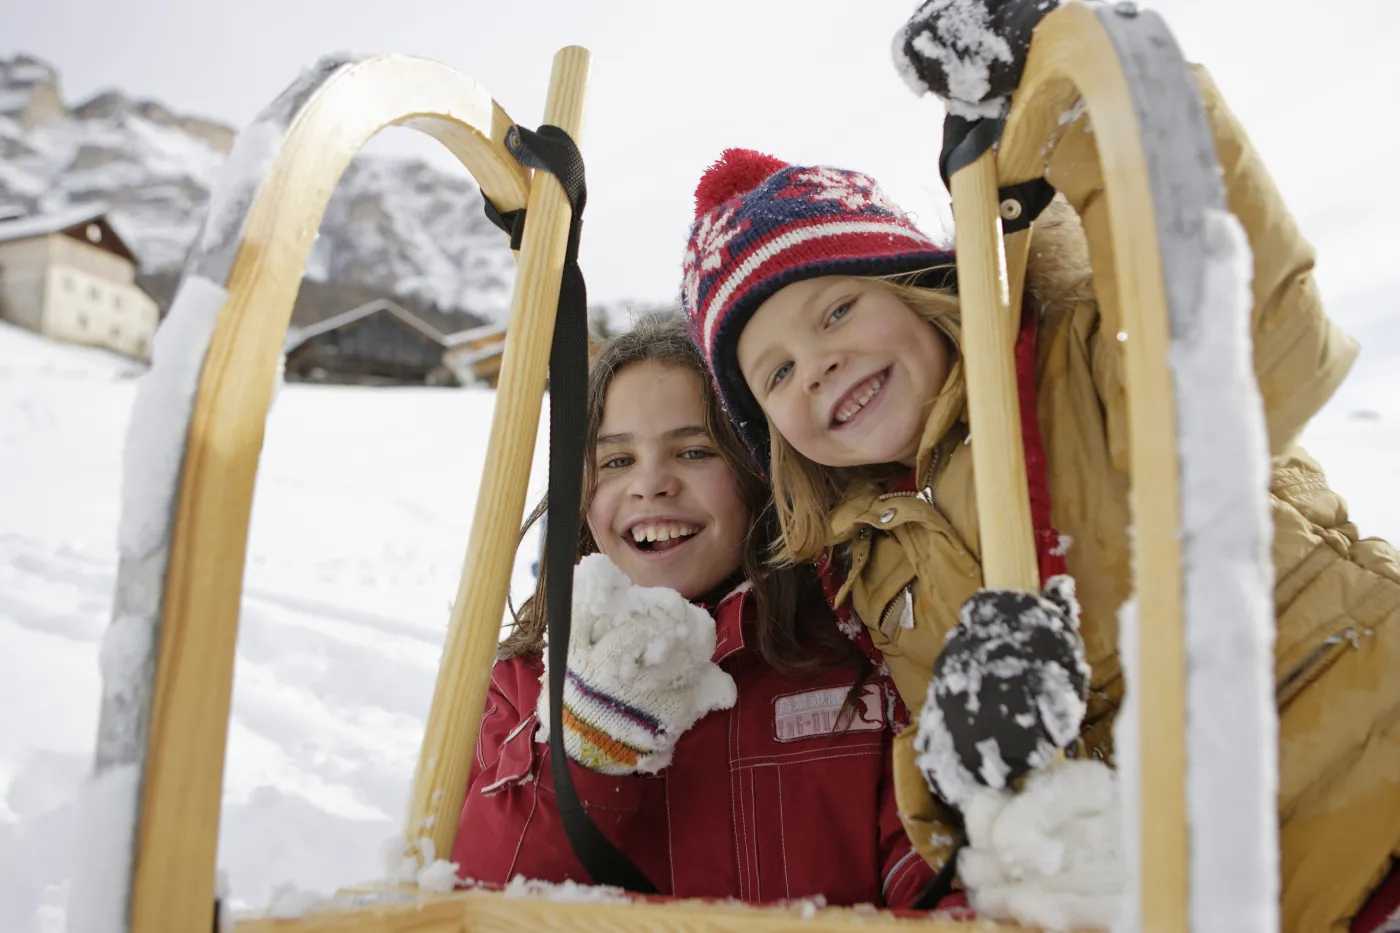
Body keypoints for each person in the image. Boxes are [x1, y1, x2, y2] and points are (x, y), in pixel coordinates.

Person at [677, 69, 1400, 933]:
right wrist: (952, 768)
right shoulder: (865, 563)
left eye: (835, 311)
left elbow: (1251, 326)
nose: (818, 363)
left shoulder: (1082, 361)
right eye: (779, 372)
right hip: (1241, 898)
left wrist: (1079, 107)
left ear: (921, 286)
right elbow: (960, 782)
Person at [451, 315, 951, 910]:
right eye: (616, 462)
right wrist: (587, 747)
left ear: (760, 474)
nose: (651, 484)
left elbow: (934, 880)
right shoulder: (523, 687)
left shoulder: (858, 649)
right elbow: (480, 905)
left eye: (693, 451)